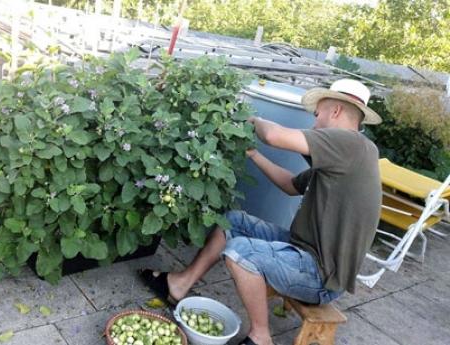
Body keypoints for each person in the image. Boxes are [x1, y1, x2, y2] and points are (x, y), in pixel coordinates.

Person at [139, 79, 382, 345]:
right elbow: (291, 185)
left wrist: (251, 119)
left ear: (335, 111)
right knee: (231, 221)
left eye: (317, 115)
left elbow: (273, 135)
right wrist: (254, 154)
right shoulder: (343, 157)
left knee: (241, 253)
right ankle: (179, 285)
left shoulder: (353, 145)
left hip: (320, 276)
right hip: (301, 251)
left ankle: (261, 337)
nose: (314, 123)